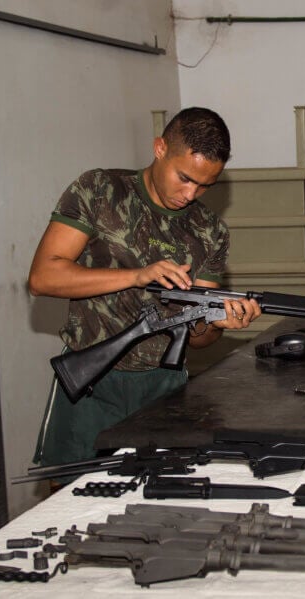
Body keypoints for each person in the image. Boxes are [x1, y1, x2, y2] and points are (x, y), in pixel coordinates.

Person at [28, 107, 261, 469]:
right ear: (159, 148)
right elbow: (43, 277)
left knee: (161, 496)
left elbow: (197, 337)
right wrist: (138, 275)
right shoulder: (100, 190)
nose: (190, 193)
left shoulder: (209, 230)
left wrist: (216, 323)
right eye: (184, 178)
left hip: (163, 388)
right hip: (90, 381)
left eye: (204, 185)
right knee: (70, 493)